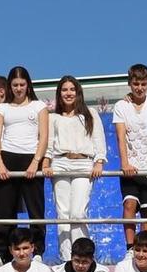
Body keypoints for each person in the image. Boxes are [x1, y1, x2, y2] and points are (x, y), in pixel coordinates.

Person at [0, 65, 49, 258]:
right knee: (3, 209)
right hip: (7, 158)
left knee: (35, 210)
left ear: (28, 85)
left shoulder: (39, 106)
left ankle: (37, 252)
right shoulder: (2, 108)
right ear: (10, 86)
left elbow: (44, 137)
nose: (19, 88)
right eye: (15, 85)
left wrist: (36, 161)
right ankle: (1, 253)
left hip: (31, 158)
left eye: (22, 84)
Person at [45, 75, 108, 251]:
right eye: (64, 90)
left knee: (78, 212)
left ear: (78, 92)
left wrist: (99, 161)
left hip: (83, 163)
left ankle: (82, 254)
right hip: (60, 162)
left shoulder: (90, 114)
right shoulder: (53, 117)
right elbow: (49, 143)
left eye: (72, 89)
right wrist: (46, 163)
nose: (68, 93)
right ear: (59, 93)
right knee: (63, 213)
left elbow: (99, 139)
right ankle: (66, 257)